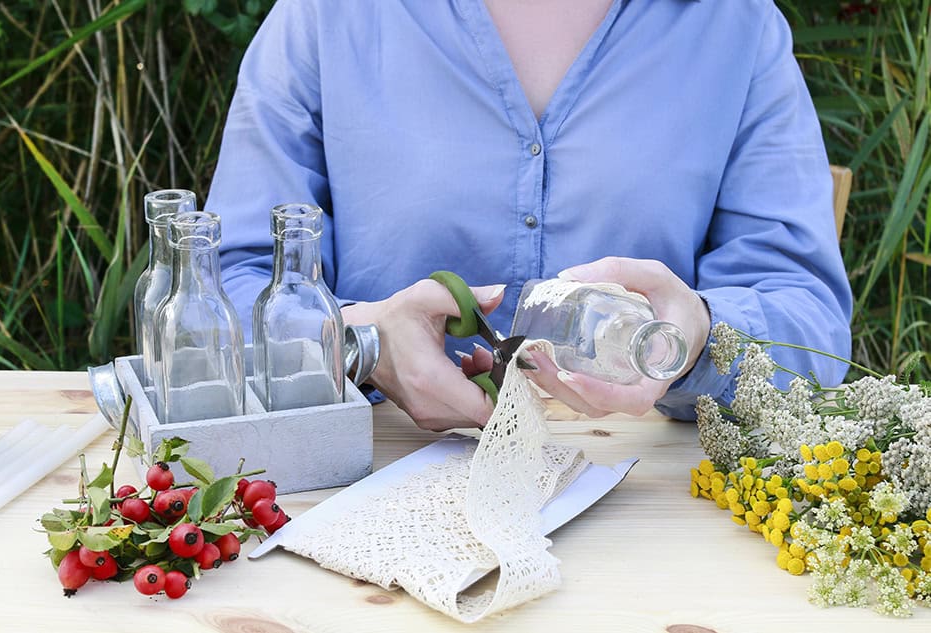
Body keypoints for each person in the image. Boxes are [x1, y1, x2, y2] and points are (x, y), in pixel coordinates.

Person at [206, 0, 853, 431]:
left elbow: (810, 318)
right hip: (362, 498)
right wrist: (362, 345)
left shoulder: (736, 24)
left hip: (654, 521)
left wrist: (696, 342)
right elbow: (221, 285)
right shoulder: (325, 15)